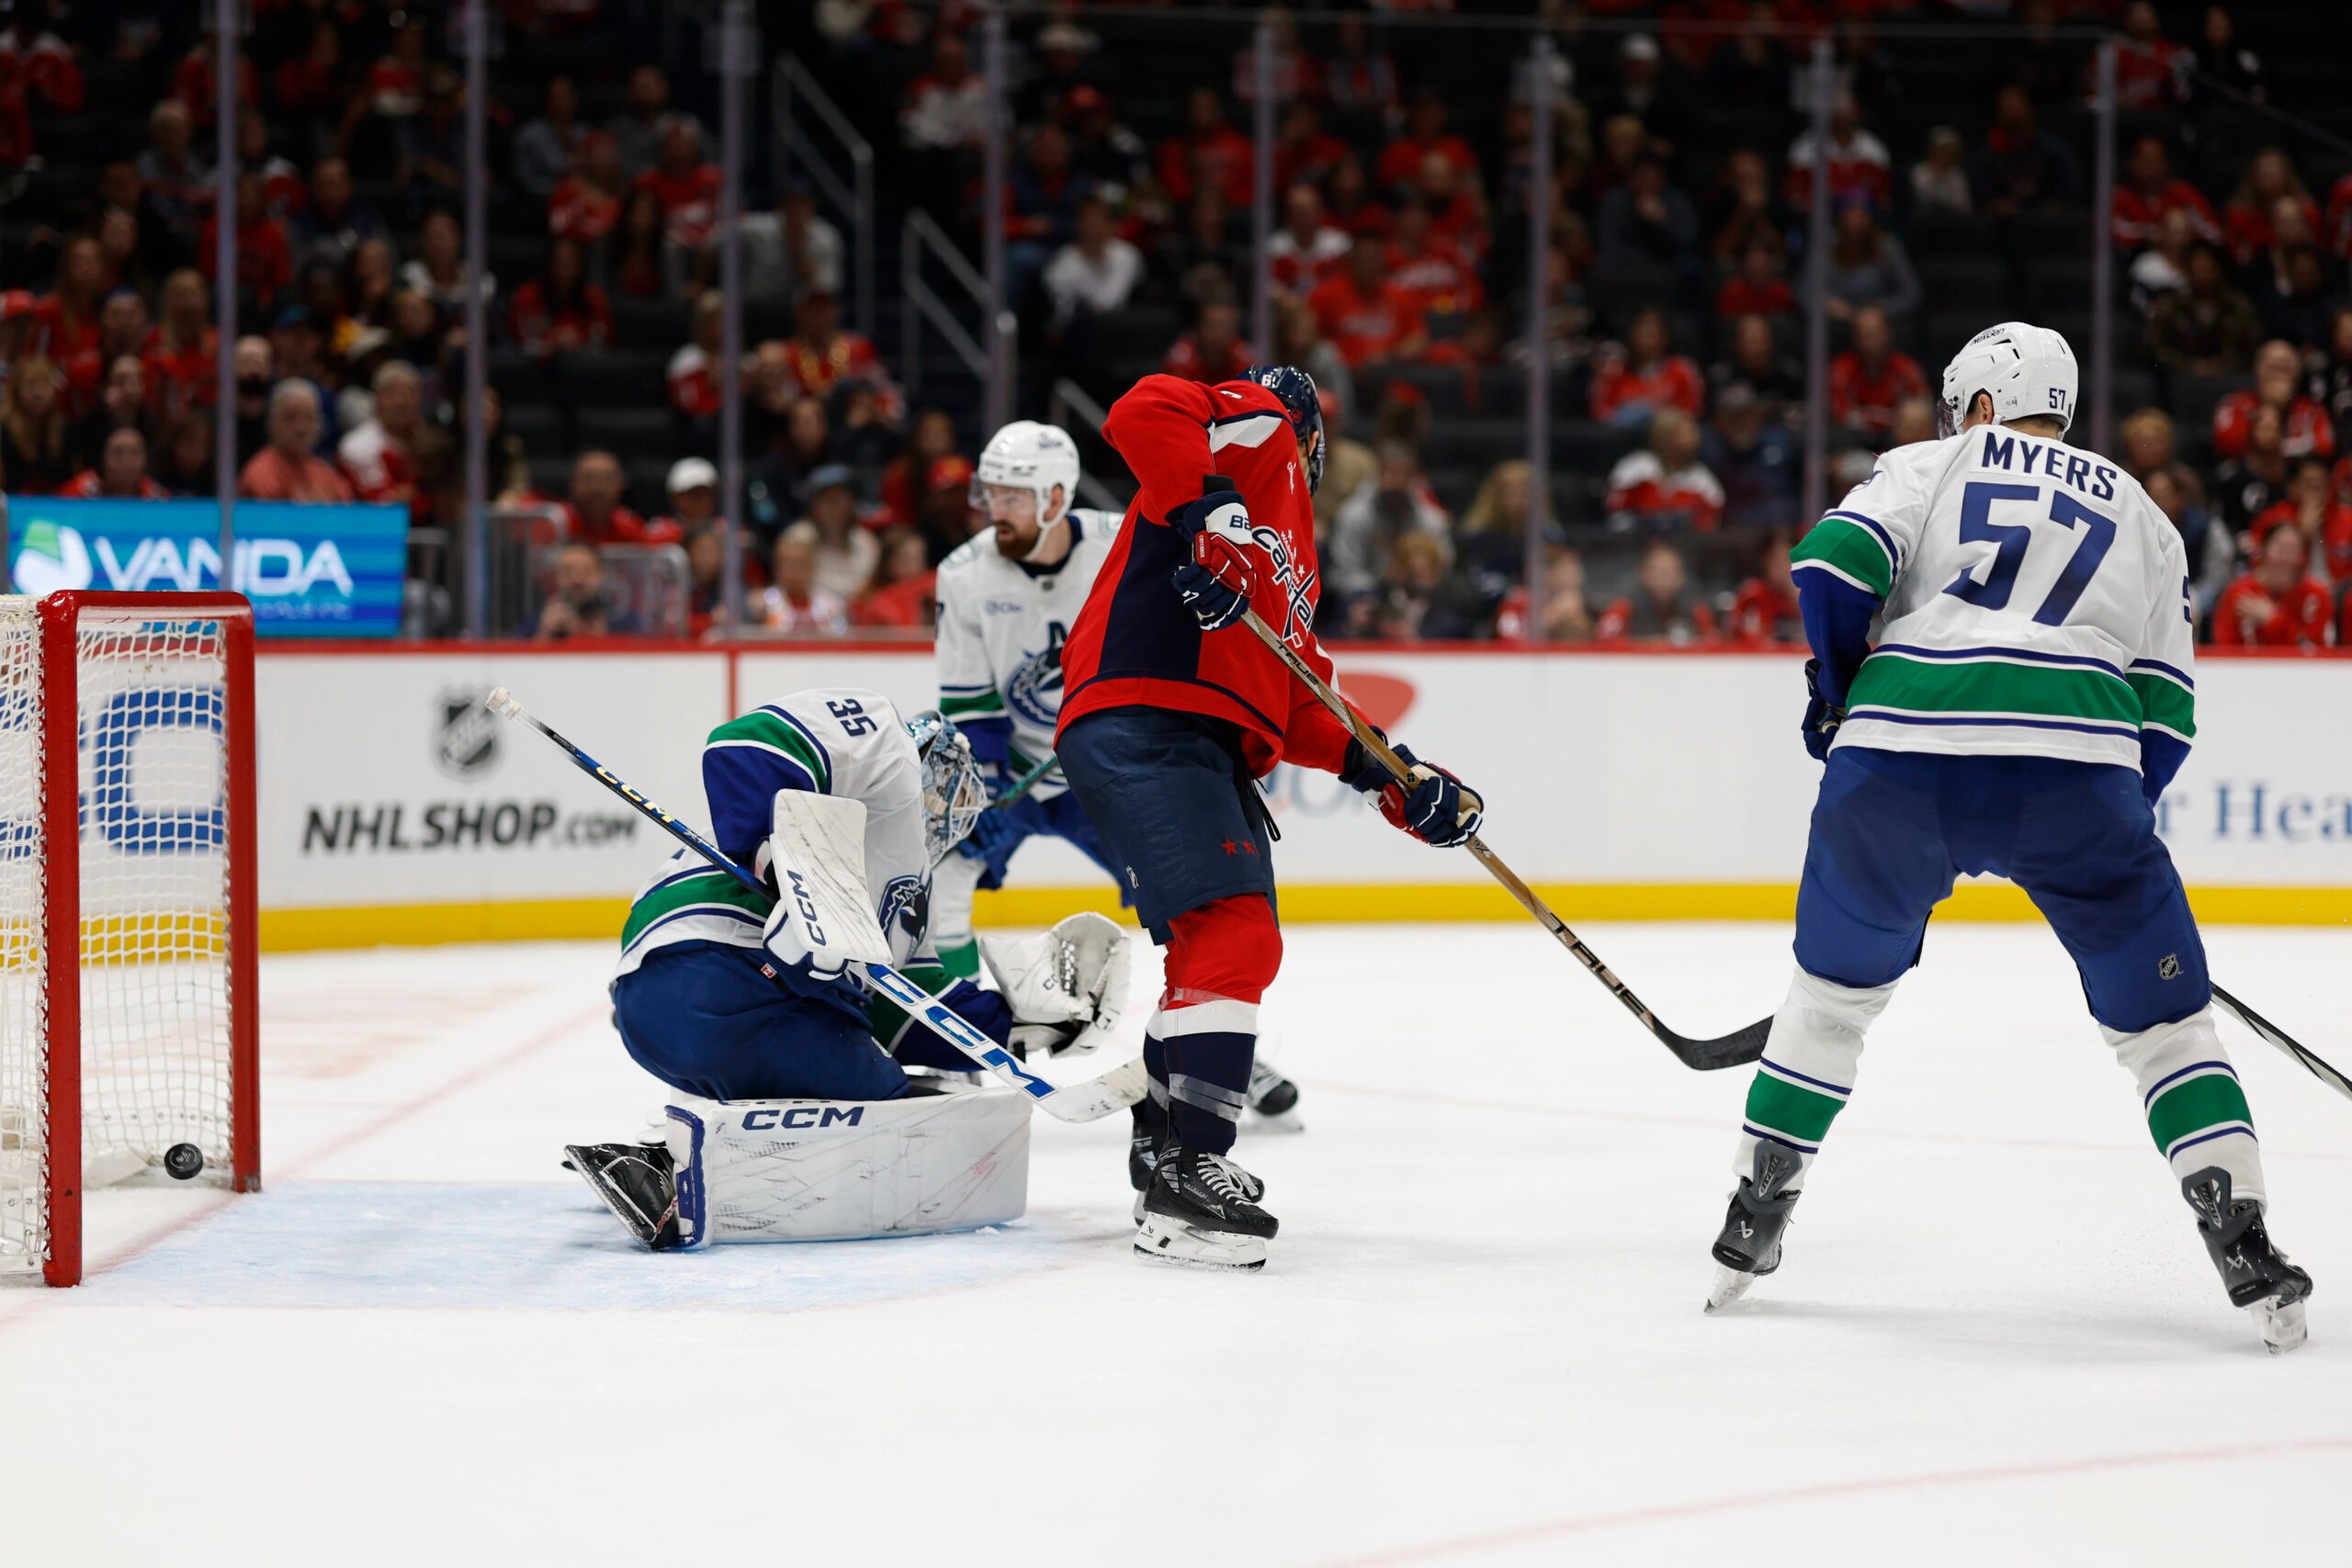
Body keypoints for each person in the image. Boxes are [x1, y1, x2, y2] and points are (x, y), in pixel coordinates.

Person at [1713, 321, 2311, 1353]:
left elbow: (1829, 567)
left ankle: (1753, 1212)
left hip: (1899, 759)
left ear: (1981, 405)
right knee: (2167, 1029)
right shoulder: (2144, 514)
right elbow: (2164, 716)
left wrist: (1835, 694)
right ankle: (2241, 1235)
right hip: (2076, 771)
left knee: (1829, 1002)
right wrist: (2112, 835)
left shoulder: (1929, 462)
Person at [1055, 366, 1484, 1270]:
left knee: (1218, 947)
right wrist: (1208, 518)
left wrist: (1399, 780)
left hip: (1190, 738)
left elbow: (1297, 695)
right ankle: (1187, 1178)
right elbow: (1142, 406)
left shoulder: (1292, 554)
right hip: (1152, 714)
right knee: (1239, 935)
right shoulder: (1259, 431)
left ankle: (1166, 1147)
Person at [563, 697, 1125, 1251]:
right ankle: (668, 1171)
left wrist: (1020, 1027)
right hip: (722, 970)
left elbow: (904, 1012)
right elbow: (748, 742)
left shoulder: (908, 899)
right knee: (890, 1111)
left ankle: (671, 1148)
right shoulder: (882, 746)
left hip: (664, 1009)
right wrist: (781, 869)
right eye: (942, 786)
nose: (943, 806)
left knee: (866, 1069)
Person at [2212, 520, 2332, 648]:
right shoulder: (2238, 594)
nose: (2286, 559)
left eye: (2293, 550)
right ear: (2263, 550)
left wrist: (2274, 621)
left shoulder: (2315, 596)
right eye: (2281, 549)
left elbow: (2317, 653)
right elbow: (2224, 649)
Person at [236, 381, 354, 502]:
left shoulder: (325, 472)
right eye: (291, 417)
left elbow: (346, 508)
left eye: (309, 418)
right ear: (272, 422)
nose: (301, 428)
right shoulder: (261, 473)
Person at [58, 426, 167, 499]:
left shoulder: (157, 498)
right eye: (118, 452)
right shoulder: (78, 492)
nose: (127, 461)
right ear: (104, 458)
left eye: (134, 453)